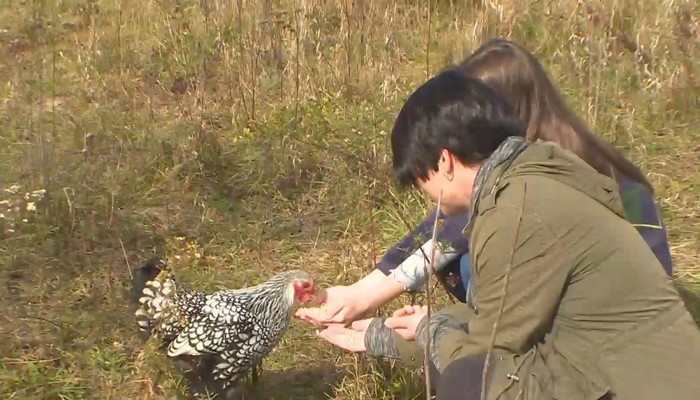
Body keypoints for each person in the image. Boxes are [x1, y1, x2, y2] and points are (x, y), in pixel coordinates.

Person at [310, 70, 700, 399]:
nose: (425, 195)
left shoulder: (514, 213)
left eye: (419, 179)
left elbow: (483, 358)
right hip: (630, 369)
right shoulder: (538, 179)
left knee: (466, 381)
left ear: (444, 160)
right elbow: (500, 316)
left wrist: (431, 330)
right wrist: (384, 337)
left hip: (637, 384)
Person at [295, 38, 674, 327]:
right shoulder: (577, 163)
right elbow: (446, 223)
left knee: (470, 258)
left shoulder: (538, 184)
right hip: (636, 328)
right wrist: (364, 290)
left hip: (606, 330)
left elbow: (451, 232)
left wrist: (383, 304)